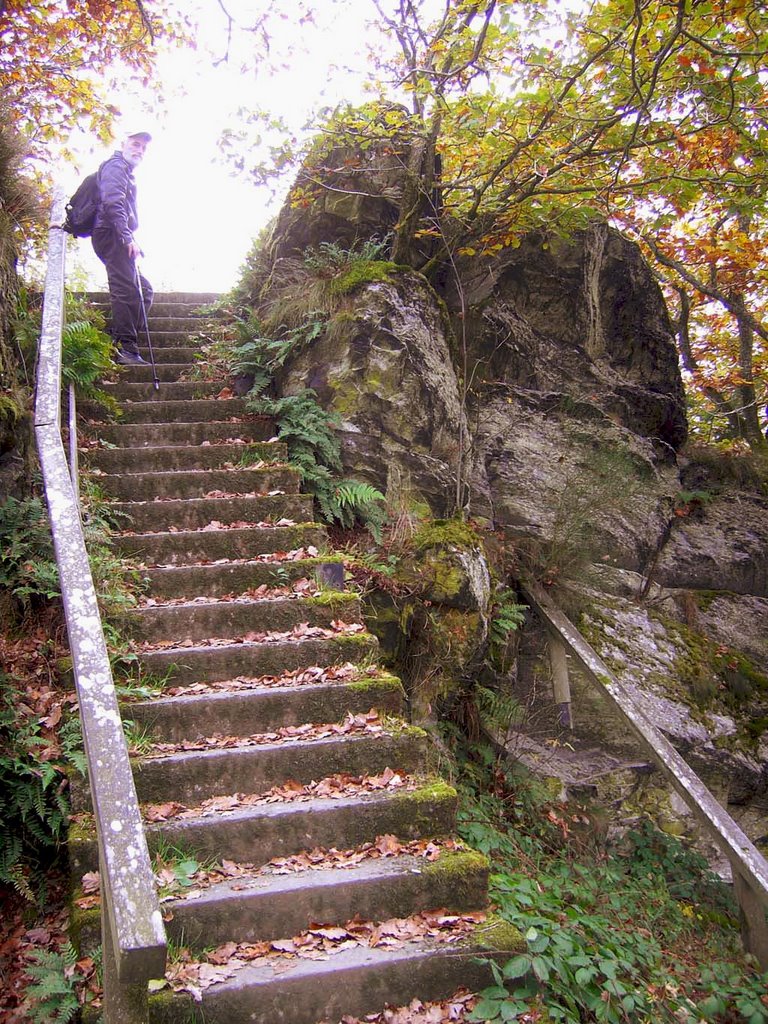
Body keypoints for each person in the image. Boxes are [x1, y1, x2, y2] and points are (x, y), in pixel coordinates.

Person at [91, 129, 153, 365]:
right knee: (124, 289)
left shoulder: (125, 171)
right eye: (135, 144)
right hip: (111, 234)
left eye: (143, 148)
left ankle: (122, 335)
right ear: (123, 144)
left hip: (116, 233)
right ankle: (126, 348)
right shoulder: (115, 167)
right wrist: (127, 237)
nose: (139, 150)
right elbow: (112, 202)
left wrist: (128, 237)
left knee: (144, 290)